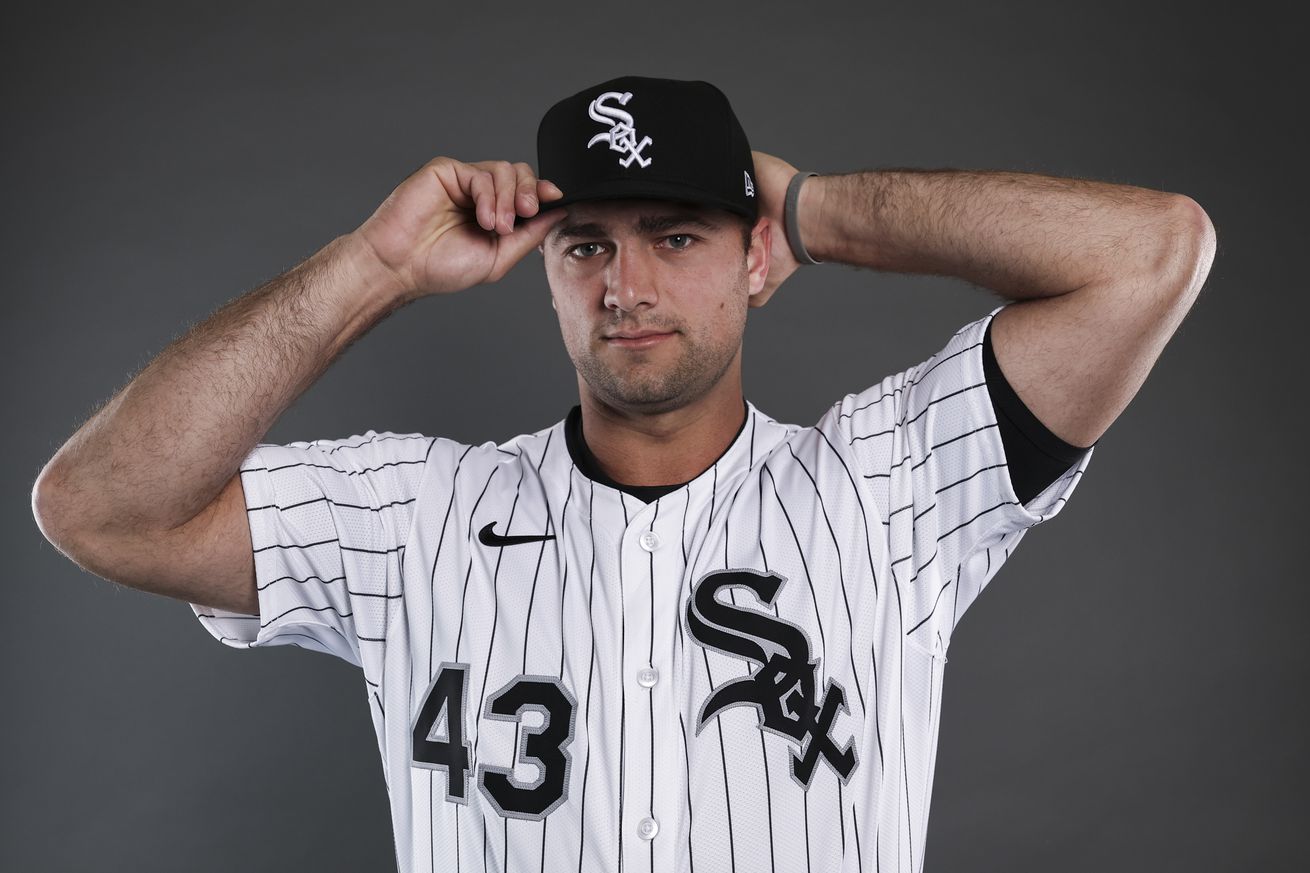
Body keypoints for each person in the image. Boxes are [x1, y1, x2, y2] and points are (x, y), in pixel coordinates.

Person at [32, 75, 1215, 872]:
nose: (625, 286)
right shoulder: (414, 518)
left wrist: (813, 211)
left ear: (751, 258)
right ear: (546, 268)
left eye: (678, 234)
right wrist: (373, 266)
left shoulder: (888, 489)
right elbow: (101, 509)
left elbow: (1150, 252)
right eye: (588, 243)